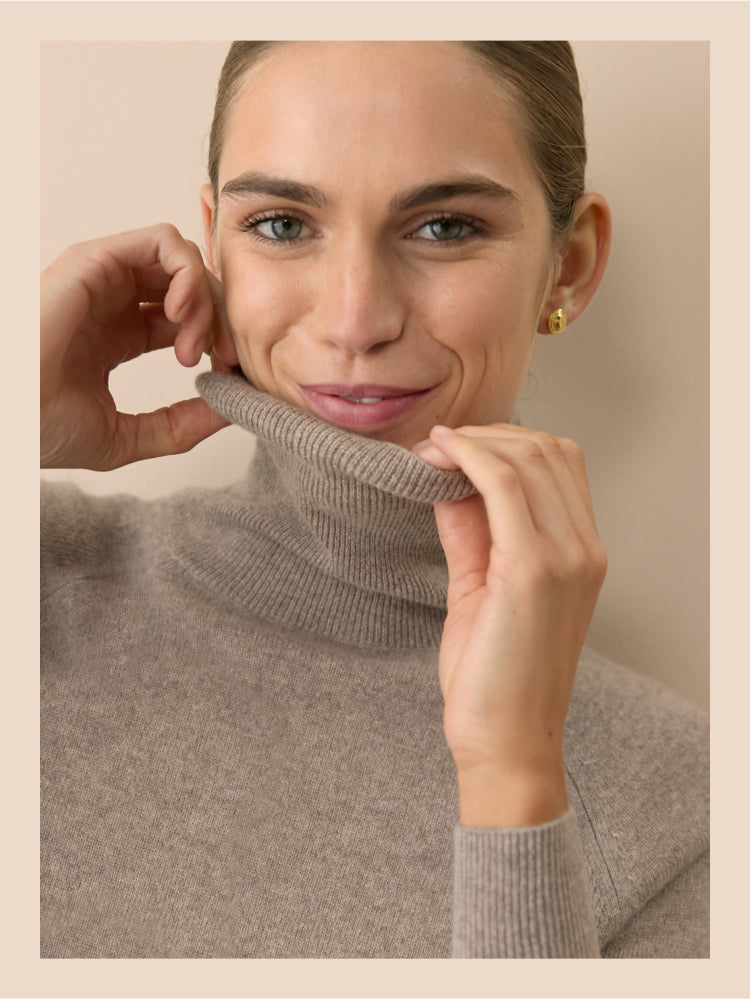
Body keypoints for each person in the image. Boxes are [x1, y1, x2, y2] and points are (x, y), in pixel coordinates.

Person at [40, 41, 708, 959]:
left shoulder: (687, 806)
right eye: (282, 224)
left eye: (445, 227)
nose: (356, 320)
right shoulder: (39, 580)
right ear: (214, 241)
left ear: (570, 265)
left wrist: (514, 772)